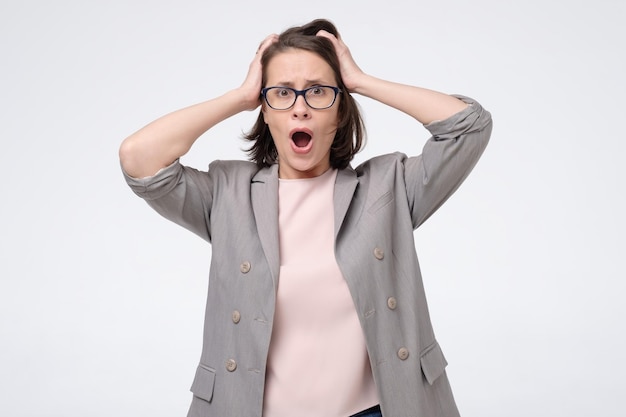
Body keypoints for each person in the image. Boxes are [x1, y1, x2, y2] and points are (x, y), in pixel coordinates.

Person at [119, 18, 492, 417]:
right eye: (282, 93)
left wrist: (361, 80)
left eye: (318, 92)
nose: (300, 108)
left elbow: (468, 128)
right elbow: (138, 159)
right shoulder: (227, 194)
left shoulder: (388, 187)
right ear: (266, 112)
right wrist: (240, 96)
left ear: (339, 111)